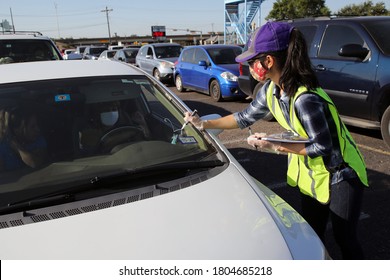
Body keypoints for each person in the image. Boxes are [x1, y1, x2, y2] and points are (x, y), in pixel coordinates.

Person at [184, 22, 369, 260]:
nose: (250, 67)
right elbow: (243, 117)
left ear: (268, 61)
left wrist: (274, 145)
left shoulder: (305, 98)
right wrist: (204, 124)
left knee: (345, 238)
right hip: (315, 174)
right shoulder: (270, 90)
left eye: (252, 62)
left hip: (342, 172)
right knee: (312, 234)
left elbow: (322, 146)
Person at [79, 101, 150, 153]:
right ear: (98, 114)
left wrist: (143, 123)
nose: (111, 113)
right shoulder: (89, 131)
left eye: (114, 109)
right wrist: (130, 134)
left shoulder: (126, 125)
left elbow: (147, 141)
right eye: (106, 110)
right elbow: (101, 146)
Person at [0, 107, 48, 172]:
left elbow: (34, 163)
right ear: (17, 131)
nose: (38, 129)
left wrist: (16, 147)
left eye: (37, 125)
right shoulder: (3, 148)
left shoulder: (39, 141)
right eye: (32, 127)